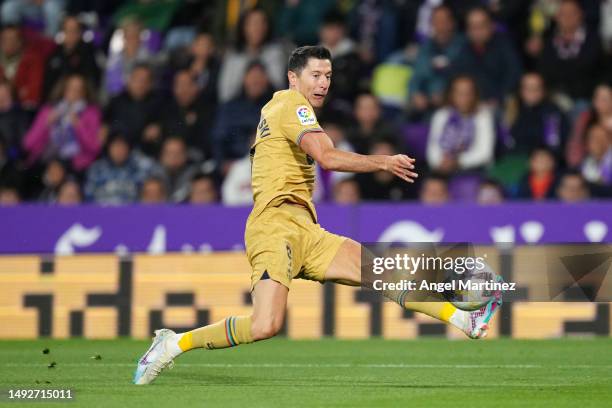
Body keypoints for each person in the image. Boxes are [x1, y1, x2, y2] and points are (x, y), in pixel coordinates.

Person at [133, 46, 502, 385]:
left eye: (328, 76)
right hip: (274, 226)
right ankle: (174, 343)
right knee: (265, 325)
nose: (323, 83)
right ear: (293, 78)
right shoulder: (291, 105)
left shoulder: (282, 112)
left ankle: (463, 318)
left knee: (381, 272)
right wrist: (383, 161)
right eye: (315, 75)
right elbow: (327, 157)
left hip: (305, 228)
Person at [22, 73, 102, 172]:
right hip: (45, 161)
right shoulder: (48, 110)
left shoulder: (91, 113)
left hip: (75, 166)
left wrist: (79, 126)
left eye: (79, 90)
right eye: (71, 88)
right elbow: (28, 144)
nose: (74, 92)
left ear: (85, 93)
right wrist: (46, 124)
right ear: (63, 89)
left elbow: (94, 148)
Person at [426, 75, 496, 175]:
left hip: (473, 171)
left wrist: (458, 161)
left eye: (468, 93)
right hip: (442, 168)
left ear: (475, 95)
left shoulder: (483, 115)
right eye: (459, 93)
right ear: (451, 94)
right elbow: (433, 147)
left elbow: (485, 153)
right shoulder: (441, 115)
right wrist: (439, 162)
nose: (464, 97)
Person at [409, 5, 465, 114]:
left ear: (452, 23)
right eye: (436, 21)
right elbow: (416, 76)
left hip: (455, 102)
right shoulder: (425, 47)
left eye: (444, 21)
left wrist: (445, 95)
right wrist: (416, 94)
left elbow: (464, 77)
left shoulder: (463, 46)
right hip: (427, 104)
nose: (440, 26)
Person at [43, 16, 100, 100]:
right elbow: (48, 83)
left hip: (83, 100)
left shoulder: (88, 52)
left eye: (74, 30)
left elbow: (91, 79)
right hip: (57, 101)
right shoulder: (55, 53)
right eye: (67, 30)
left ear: (80, 33)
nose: (71, 34)